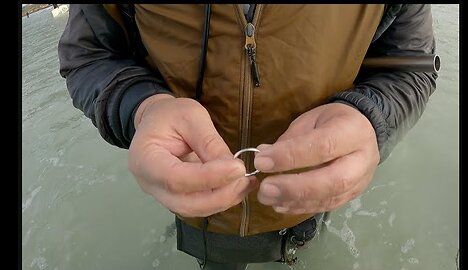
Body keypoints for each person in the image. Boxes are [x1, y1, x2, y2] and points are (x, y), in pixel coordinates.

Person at [58, 4, 437, 270]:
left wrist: (370, 118)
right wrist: (142, 109)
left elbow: (412, 65)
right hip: (202, 218)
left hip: (310, 204)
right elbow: (90, 55)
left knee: (306, 249)